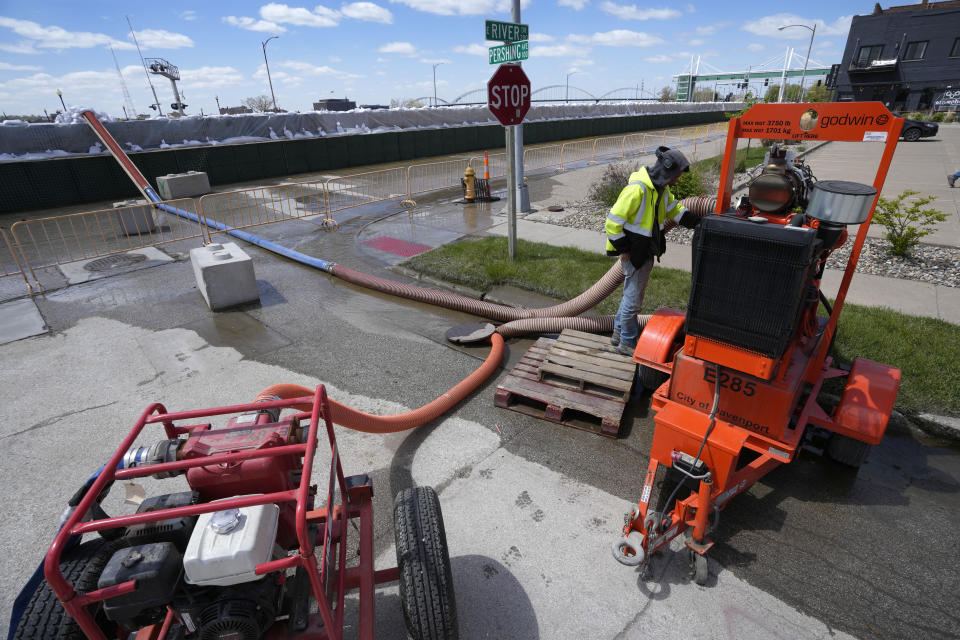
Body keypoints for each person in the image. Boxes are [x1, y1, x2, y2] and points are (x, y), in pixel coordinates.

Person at [605, 146, 702, 356]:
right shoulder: (637, 190)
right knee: (634, 301)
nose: (676, 180)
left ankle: (618, 334)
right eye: (675, 175)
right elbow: (612, 223)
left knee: (630, 296)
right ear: (666, 171)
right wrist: (623, 249)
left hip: (645, 250)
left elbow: (674, 209)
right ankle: (628, 343)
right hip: (635, 253)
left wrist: (698, 223)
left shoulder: (660, 189)